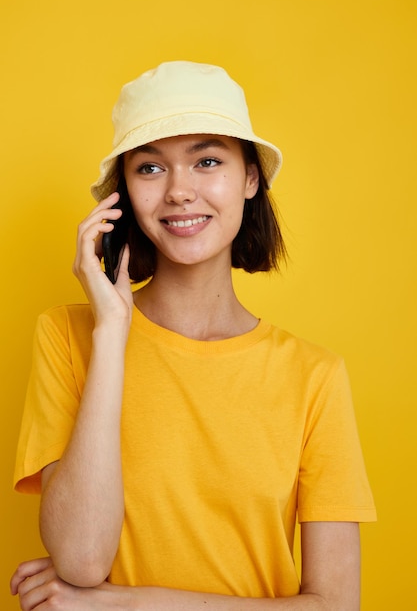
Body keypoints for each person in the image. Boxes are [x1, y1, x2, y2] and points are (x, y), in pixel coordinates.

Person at [10, 61, 376, 610]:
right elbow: (82, 559)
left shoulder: (313, 376)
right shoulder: (68, 336)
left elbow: (334, 605)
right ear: (123, 194)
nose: (180, 191)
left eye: (207, 161)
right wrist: (112, 333)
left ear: (251, 178)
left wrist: (126, 603)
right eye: (150, 168)